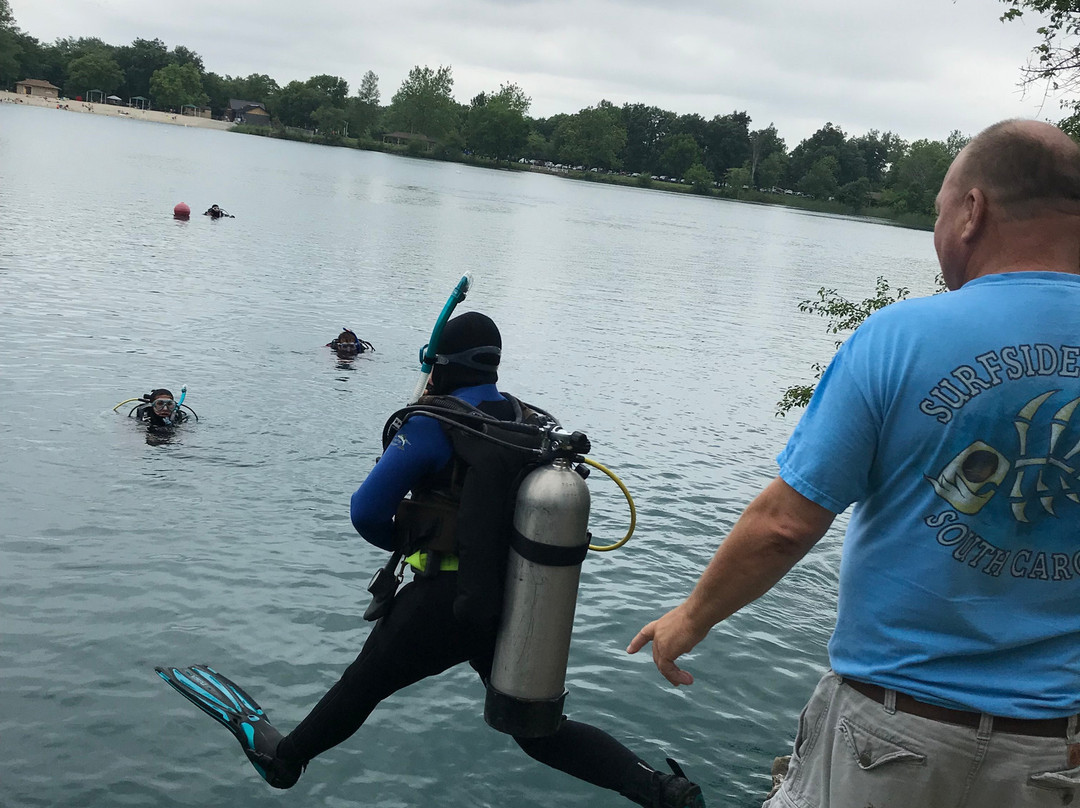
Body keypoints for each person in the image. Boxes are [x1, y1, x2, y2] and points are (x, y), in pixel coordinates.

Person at [629, 119, 1080, 808]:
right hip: (1056, 753)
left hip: (894, 735)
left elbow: (785, 525)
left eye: (936, 211)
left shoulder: (903, 337)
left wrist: (691, 618)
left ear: (972, 211)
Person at [158, 312, 705, 807]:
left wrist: (416, 536)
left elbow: (366, 512)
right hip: (511, 601)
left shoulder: (433, 424)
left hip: (441, 603)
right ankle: (662, 791)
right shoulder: (526, 421)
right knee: (537, 731)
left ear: (439, 360)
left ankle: (284, 760)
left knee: (361, 686)